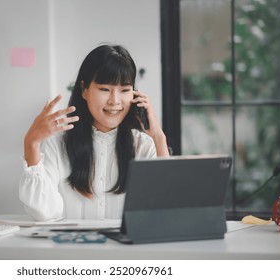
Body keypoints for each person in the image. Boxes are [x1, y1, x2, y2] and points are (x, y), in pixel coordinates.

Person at [19, 44, 169, 221]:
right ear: (84, 90)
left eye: (125, 90)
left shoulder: (143, 146)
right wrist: (31, 143)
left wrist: (159, 137)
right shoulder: (57, 144)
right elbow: (44, 213)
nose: (115, 101)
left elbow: (165, 207)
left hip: (126, 249)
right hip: (70, 247)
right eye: (105, 89)